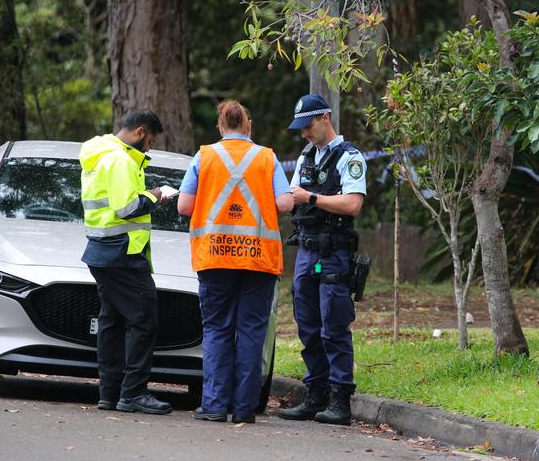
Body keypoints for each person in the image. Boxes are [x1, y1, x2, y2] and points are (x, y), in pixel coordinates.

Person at [178, 100, 293, 424]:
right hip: (258, 259)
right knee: (252, 332)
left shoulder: (204, 156)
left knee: (216, 330)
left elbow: (185, 207)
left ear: (220, 126)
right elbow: (284, 203)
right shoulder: (267, 158)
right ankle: (244, 408)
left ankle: (214, 405)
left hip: (214, 258)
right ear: (248, 125)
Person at [277, 94, 367, 426]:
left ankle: (340, 400)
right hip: (306, 250)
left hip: (335, 253)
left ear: (325, 118)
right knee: (308, 325)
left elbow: (353, 204)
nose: (304, 134)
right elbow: (289, 198)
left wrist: (312, 197)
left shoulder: (350, 157)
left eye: (308, 126)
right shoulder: (305, 158)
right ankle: (315, 396)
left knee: (334, 325)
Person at [79, 110, 172, 415]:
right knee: (145, 320)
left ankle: (109, 393)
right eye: (150, 140)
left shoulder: (100, 155)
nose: (149, 147)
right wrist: (155, 195)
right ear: (140, 131)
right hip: (123, 253)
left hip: (103, 250)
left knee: (113, 321)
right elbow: (127, 208)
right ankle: (132, 394)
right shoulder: (119, 160)